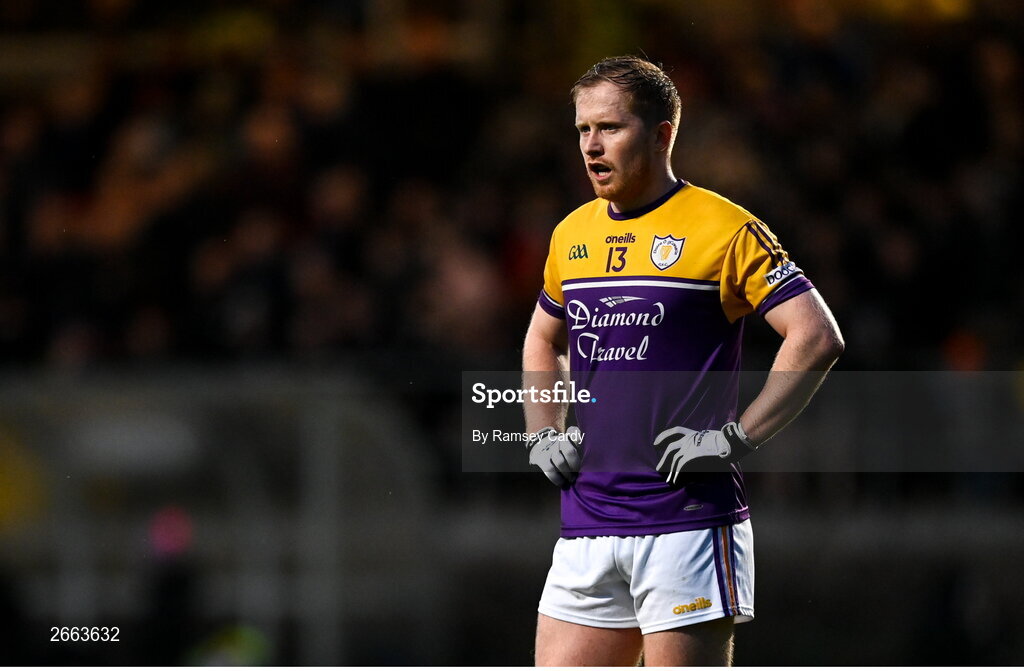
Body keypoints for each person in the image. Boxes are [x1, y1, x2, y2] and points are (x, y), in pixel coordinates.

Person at [521, 55, 844, 666]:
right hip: (587, 523)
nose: (591, 145)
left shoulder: (724, 229)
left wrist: (737, 437)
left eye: (610, 128)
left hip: (686, 523)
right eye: (582, 129)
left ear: (663, 132)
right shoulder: (571, 235)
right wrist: (542, 432)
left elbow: (816, 335)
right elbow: (543, 338)